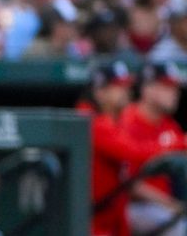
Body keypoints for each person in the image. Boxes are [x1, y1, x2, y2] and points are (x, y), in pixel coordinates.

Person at [77, 61, 180, 236]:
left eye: (126, 86)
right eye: (118, 87)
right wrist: (178, 143)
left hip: (106, 218)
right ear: (100, 92)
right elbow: (134, 152)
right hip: (90, 221)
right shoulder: (91, 122)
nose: (127, 92)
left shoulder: (111, 121)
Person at [120, 62, 187, 236]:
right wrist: (171, 204)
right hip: (129, 205)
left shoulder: (169, 126)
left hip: (160, 206)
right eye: (166, 87)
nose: (175, 94)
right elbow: (128, 184)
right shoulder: (127, 121)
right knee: (176, 228)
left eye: (175, 88)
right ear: (147, 89)